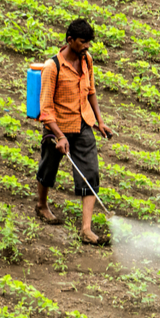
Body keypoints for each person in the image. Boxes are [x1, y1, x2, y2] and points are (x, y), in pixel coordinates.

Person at [34, 19, 115, 244]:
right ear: (70, 40)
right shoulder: (53, 67)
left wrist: (99, 122)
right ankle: (41, 205)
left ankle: (86, 230)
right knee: (48, 168)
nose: (87, 46)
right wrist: (59, 136)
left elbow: (91, 92)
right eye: (82, 42)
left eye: (89, 42)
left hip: (83, 125)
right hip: (57, 127)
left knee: (90, 172)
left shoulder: (86, 60)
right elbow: (45, 108)